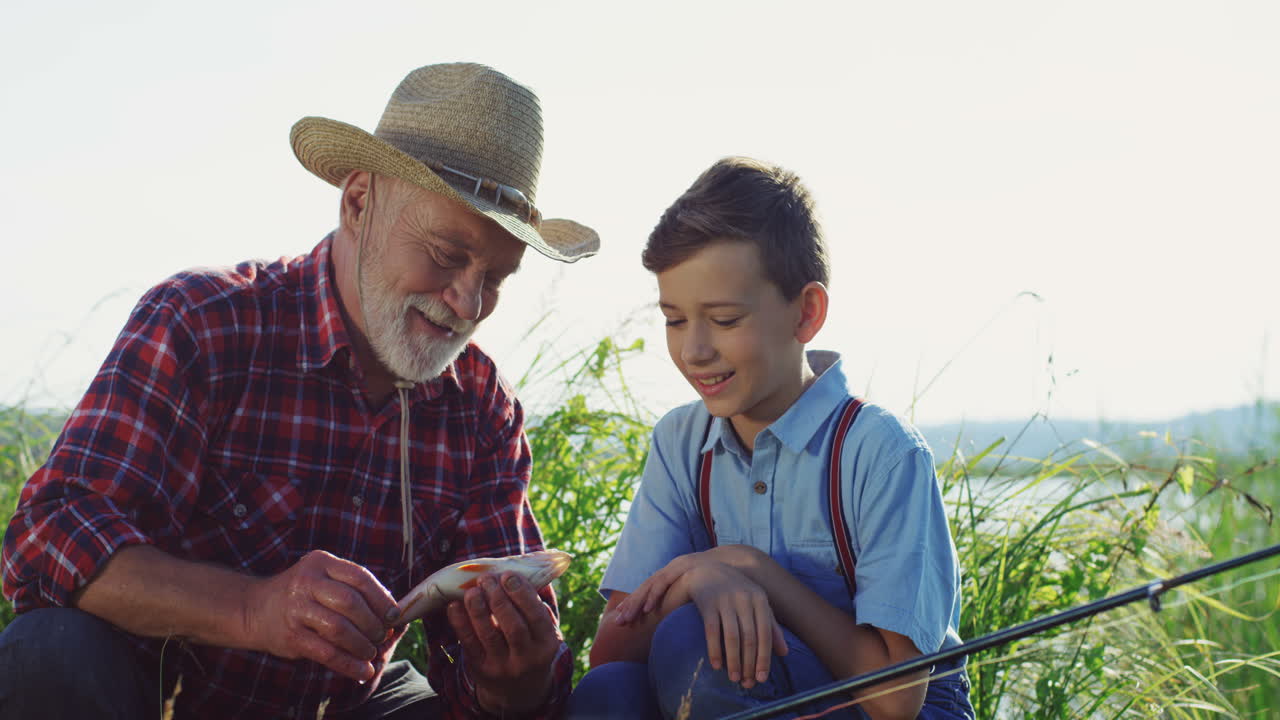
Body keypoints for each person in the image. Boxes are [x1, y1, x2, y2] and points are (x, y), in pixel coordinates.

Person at [0, 63, 598, 719]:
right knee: (49, 648)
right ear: (359, 202)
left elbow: (487, 684)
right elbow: (49, 534)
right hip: (158, 696)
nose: (469, 301)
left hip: (348, 703)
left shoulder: (482, 407)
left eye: (498, 277)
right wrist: (252, 609)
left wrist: (512, 680)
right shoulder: (205, 321)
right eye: (447, 253)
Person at [566, 157, 974, 720]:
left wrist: (754, 571)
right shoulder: (682, 442)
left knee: (697, 642)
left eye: (725, 320)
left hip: (889, 707)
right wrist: (701, 577)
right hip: (741, 692)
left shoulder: (881, 451)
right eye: (674, 320)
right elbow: (611, 652)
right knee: (608, 693)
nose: (694, 350)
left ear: (806, 313)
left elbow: (898, 699)